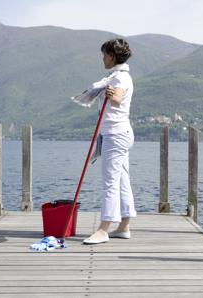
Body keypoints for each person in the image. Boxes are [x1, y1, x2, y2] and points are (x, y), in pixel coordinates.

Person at [83, 38, 136, 244]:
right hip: (120, 134)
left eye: (104, 55)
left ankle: (103, 229)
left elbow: (117, 98)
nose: (103, 59)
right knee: (122, 179)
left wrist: (112, 95)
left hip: (115, 135)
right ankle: (124, 226)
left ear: (112, 56)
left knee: (110, 183)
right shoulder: (118, 76)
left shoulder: (119, 79)